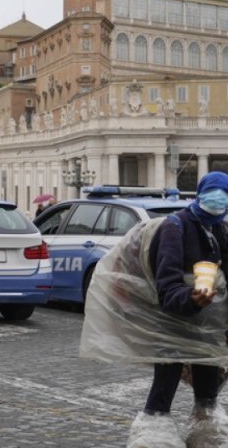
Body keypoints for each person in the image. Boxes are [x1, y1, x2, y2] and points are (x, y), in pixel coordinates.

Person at [124, 171, 228, 447]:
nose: (220, 200)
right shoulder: (175, 228)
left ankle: (206, 435)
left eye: (225, 195)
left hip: (206, 328)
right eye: (215, 194)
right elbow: (166, 286)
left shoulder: (218, 229)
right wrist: (191, 298)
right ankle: (153, 438)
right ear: (199, 194)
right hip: (173, 323)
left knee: (207, 395)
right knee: (163, 391)